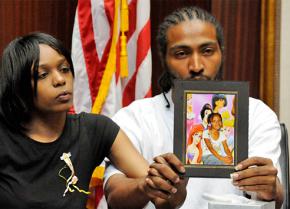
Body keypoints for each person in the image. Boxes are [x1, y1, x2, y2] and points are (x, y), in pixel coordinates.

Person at [104, 6, 283, 209]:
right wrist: (147, 187)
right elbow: (113, 195)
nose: (196, 65)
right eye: (181, 53)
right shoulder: (133, 117)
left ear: (221, 53)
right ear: (164, 59)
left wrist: (271, 189)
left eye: (207, 51)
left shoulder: (257, 114)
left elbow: (273, 197)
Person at [0, 32, 166, 208]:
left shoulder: (94, 129)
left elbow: (157, 188)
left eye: (64, 69)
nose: (59, 80)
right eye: (43, 74)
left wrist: (167, 179)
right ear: (19, 85)